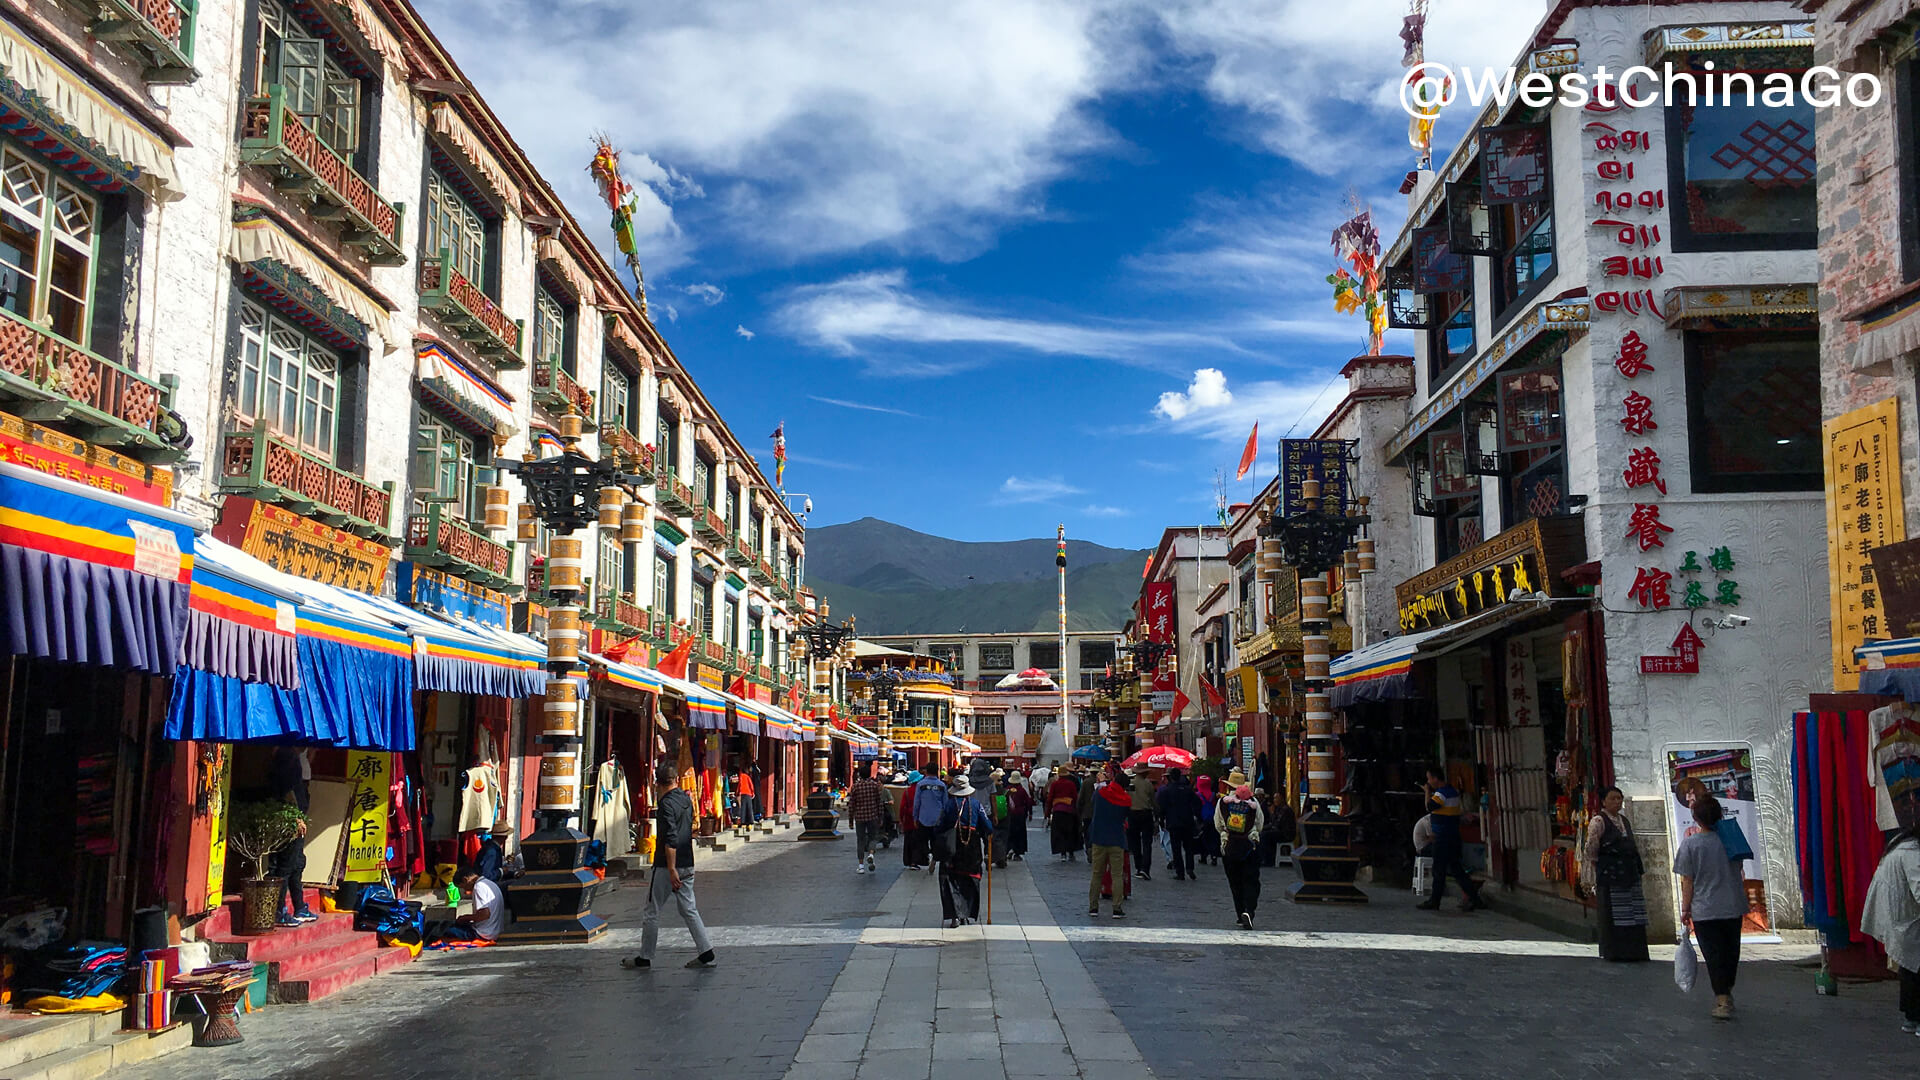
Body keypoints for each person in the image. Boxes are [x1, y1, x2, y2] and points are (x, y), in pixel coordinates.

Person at [625, 763, 715, 970]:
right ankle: (705, 950)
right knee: (689, 909)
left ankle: (645, 956)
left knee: (652, 910)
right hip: (688, 862)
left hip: (667, 866)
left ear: (658, 783)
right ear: (676, 780)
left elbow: (671, 837)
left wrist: (671, 868)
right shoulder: (686, 799)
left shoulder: (665, 804)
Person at [1672, 793, 1744, 1019]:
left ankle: (1722, 998)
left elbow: (1687, 880)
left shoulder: (1691, 844)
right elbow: (1739, 867)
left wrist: (1685, 909)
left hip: (1705, 908)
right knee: (1730, 952)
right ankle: (1726, 991)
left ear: (1695, 817)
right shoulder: (1731, 839)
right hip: (1732, 904)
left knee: (1714, 954)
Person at [1861, 816, 1920, 1034]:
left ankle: (1911, 1019)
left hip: (1898, 919)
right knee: (1914, 969)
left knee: (1909, 969)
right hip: (1907, 920)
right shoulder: (1912, 853)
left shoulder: (1899, 848)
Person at [1580, 786, 1649, 962]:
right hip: (1611, 875)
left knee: (1633, 912)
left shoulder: (1624, 821)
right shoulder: (1598, 821)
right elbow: (1591, 848)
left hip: (1629, 872)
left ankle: (1635, 950)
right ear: (1604, 801)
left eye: (1619, 798)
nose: (1617, 802)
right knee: (1614, 914)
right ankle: (1616, 952)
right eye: (1613, 798)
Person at [1417, 766, 1486, 912]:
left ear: (1436, 779)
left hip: (1443, 838)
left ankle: (1435, 901)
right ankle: (1475, 898)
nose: (1428, 781)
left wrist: (1427, 792)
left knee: (1439, 870)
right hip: (1453, 836)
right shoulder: (1453, 791)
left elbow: (1429, 806)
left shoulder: (1441, 794)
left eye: (1429, 778)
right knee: (1457, 869)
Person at [268, 745, 317, 926]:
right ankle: (278, 910)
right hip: (291, 820)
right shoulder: (286, 757)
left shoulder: (290, 757)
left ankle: (299, 906)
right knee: (285, 865)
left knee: (296, 862)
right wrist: (296, 817)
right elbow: (288, 790)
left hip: (295, 816)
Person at [939, 774, 993, 927]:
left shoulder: (949, 805)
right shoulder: (976, 805)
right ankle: (966, 914)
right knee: (970, 878)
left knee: (951, 878)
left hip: (952, 846)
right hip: (971, 845)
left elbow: (941, 825)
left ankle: (955, 915)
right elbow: (987, 826)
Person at [1217, 779, 1265, 928]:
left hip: (1230, 846)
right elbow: (1260, 824)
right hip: (1249, 847)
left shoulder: (1222, 803)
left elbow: (1218, 824)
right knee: (1251, 881)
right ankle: (1248, 910)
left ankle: (1240, 914)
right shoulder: (1253, 802)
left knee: (1235, 882)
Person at [1088, 764, 1132, 919]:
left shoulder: (1101, 793)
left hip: (1099, 837)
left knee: (1097, 873)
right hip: (1116, 839)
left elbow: (1093, 801)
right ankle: (1117, 908)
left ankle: (1093, 907)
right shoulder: (1126, 799)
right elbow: (1125, 817)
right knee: (1117, 874)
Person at [431, 866, 506, 942]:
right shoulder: (489, 883)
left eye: (463, 887)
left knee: (444, 931)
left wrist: (465, 918)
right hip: (493, 931)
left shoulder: (479, 887)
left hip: (484, 934)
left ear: (465, 880)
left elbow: (485, 914)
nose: (465, 891)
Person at [1156, 770, 1202, 880]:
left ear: (1170, 777)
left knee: (1176, 848)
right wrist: (1196, 816)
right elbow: (1197, 803)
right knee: (1188, 847)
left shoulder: (1166, 791)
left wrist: (1161, 820)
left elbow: (1161, 808)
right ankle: (1190, 868)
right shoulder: (1187, 790)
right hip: (1187, 821)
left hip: (1173, 823)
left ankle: (1180, 872)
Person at [913, 768, 952, 875]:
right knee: (936, 841)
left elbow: (917, 802)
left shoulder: (921, 785)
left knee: (922, 840)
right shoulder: (942, 785)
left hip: (923, 817)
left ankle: (927, 855)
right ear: (937, 772)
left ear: (926, 772)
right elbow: (945, 803)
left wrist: (915, 817)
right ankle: (935, 857)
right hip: (937, 818)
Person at [848, 764, 885, 875]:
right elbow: (880, 802)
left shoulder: (855, 786)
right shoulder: (875, 786)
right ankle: (871, 854)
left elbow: (851, 805)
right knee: (873, 837)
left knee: (860, 840)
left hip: (860, 817)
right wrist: (881, 816)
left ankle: (861, 866)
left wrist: (850, 820)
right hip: (872, 816)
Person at [1128, 769, 1157, 880]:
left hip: (1133, 813)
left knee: (1135, 842)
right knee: (1146, 843)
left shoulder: (1131, 783)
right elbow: (1153, 800)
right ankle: (1145, 869)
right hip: (1146, 813)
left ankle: (1138, 867)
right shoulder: (1148, 784)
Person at [1047, 767, 1082, 861]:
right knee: (1070, 832)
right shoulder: (1071, 784)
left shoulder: (1055, 784)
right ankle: (1071, 852)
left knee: (1059, 832)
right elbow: (1075, 797)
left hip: (1057, 811)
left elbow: (1050, 798)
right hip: (1069, 811)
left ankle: (1062, 853)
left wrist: (1047, 812)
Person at [1004, 773, 1033, 861]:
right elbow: (1028, 802)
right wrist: (1030, 813)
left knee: (1009, 833)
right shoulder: (1022, 790)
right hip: (1020, 814)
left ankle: (1008, 850)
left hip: (1009, 814)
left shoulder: (1007, 790)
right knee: (1019, 834)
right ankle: (1017, 853)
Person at [1194, 774, 1219, 867]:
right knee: (1212, 838)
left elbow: (1196, 809)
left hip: (1202, 820)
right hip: (1212, 819)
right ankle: (1214, 856)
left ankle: (1203, 856)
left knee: (1203, 838)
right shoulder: (1213, 794)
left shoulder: (1197, 795)